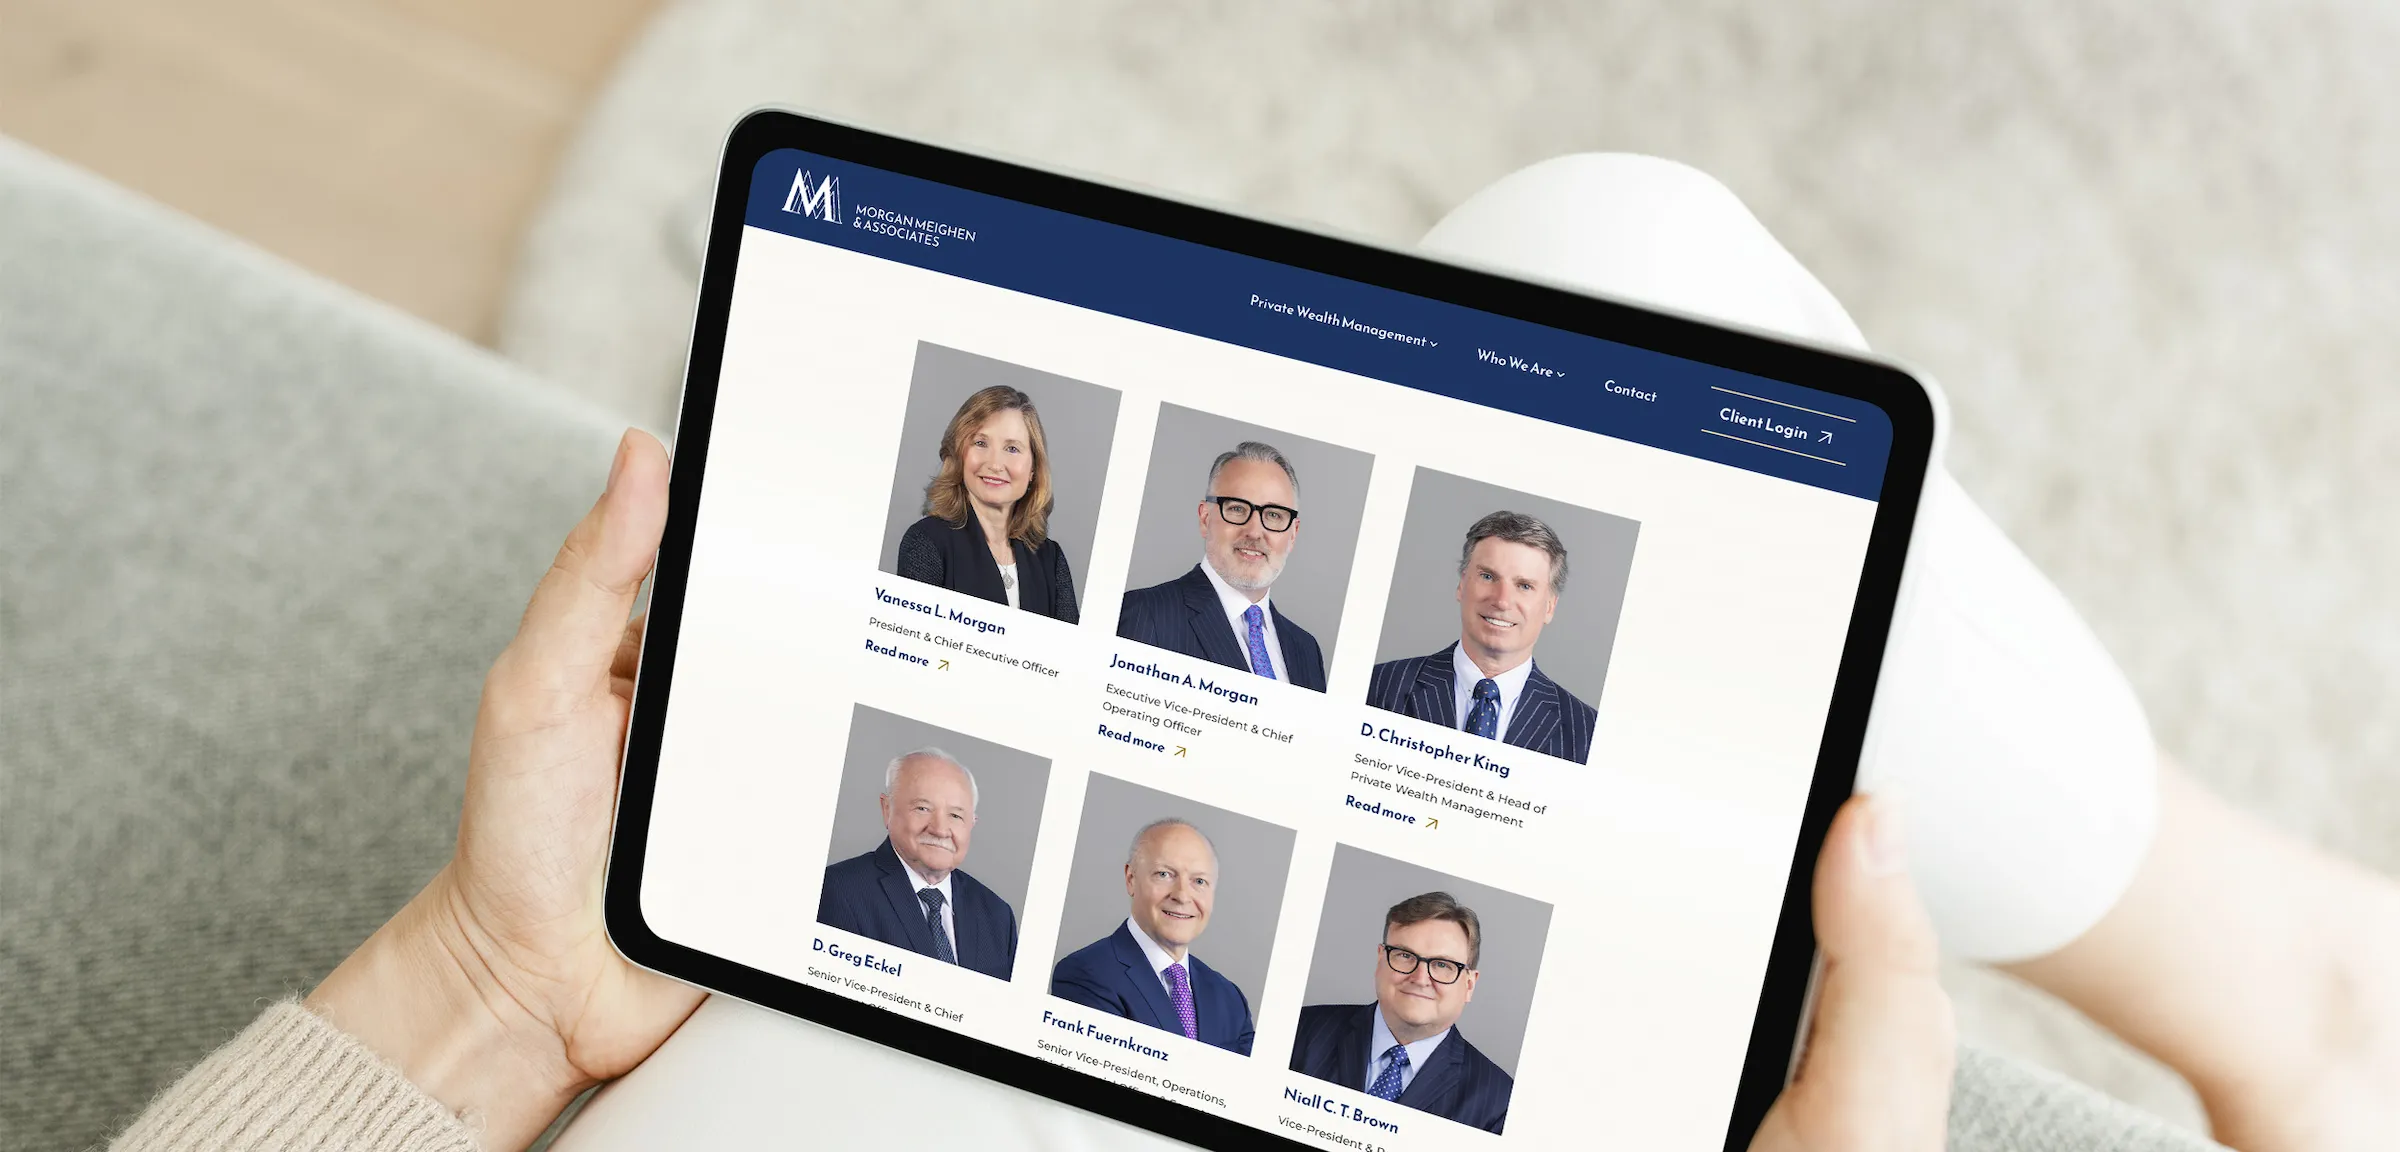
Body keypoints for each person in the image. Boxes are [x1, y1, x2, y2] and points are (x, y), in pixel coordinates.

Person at [109, 154, 2400, 1152]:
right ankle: (2295, 990)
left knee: (1604, 259)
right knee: (1611, 260)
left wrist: (495, 983)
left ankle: (2298, 996)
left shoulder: (1100, 838)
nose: (1492, 605)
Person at [1364, 510, 1598, 765]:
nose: (1501, 600)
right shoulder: (1377, 687)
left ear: (1549, 607)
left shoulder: (1587, 733)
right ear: (1462, 585)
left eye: (1524, 586)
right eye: (1488, 576)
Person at [1288, 892, 1517, 1133]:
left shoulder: (1499, 1104)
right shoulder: (1299, 1030)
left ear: (1469, 985)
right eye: (1405, 956)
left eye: (1442, 965)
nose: (1420, 978)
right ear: (1380, 961)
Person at [1116, 441, 1328, 690]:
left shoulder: (1307, 650)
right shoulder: (1145, 614)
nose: (1255, 531)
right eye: (1237, 508)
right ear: (1205, 518)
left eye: (1273, 515)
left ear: (1292, 534)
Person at [1048, 818, 1257, 1056]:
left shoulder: (1230, 999)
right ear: (1131, 879)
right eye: (1164, 874)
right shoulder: (1085, 975)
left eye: (1199, 881)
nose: (1182, 896)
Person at [816, 748, 1019, 980]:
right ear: (887, 809)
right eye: (923, 808)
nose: (940, 829)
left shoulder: (997, 915)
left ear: (972, 823)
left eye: (955, 815)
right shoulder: (839, 890)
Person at [893, 384, 1080, 622]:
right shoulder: (927, 543)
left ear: (1033, 469)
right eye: (980, 443)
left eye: (1012, 448)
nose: (994, 463)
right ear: (960, 453)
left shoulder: (1050, 560)